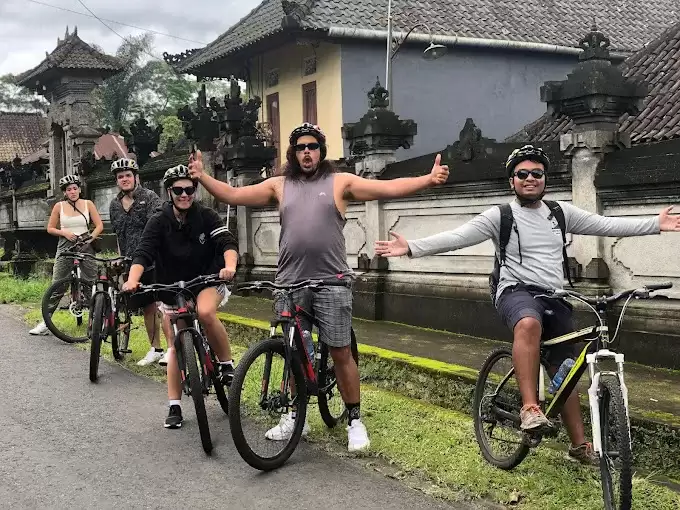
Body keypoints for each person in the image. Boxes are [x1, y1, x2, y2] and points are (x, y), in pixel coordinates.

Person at [374, 144, 680, 463]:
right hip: (515, 291)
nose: (530, 178)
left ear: (545, 179)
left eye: (537, 173)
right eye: (522, 174)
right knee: (528, 323)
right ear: (512, 181)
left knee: (566, 370)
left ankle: (579, 446)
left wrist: (654, 224)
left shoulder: (560, 213)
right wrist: (412, 247)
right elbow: (458, 236)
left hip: (555, 296)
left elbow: (605, 225)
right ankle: (530, 408)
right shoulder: (501, 216)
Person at [188, 122, 449, 452]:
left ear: (321, 151)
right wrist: (202, 177)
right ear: (293, 154)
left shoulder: (340, 182)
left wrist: (428, 179)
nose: (307, 152)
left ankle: (354, 420)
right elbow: (234, 195)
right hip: (289, 283)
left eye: (312, 146)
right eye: (300, 148)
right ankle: (294, 415)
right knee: (293, 352)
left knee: (340, 351)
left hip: (332, 282)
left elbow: (386, 188)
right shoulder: (280, 185)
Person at [122, 164, 238, 429]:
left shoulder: (206, 215)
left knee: (206, 312)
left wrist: (229, 266)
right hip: (172, 285)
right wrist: (132, 280)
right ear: (169, 192)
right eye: (178, 190)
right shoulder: (158, 220)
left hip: (207, 279)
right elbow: (144, 252)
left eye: (189, 189)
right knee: (175, 344)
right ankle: (174, 405)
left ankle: (226, 364)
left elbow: (227, 242)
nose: (184, 194)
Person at [109, 157, 167, 367]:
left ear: (136, 177)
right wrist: (120, 256)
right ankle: (156, 349)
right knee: (147, 306)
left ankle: (172, 349)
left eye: (128, 175)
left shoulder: (149, 198)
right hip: (130, 262)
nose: (124, 179)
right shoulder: (114, 205)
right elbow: (119, 235)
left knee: (164, 304)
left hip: (155, 259)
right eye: (120, 177)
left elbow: (159, 228)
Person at [30, 174, 104, 335]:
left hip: (85, 243)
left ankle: (96, 320)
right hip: (65, 244)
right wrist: (64, 232)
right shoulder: (59, 206)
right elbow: (50, 228)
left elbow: (99, 225)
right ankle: (46, 322)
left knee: (90, 282)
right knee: (58, 283)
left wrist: (90, 238)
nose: (72, 192)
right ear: (65, 192)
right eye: (69, 189)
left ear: (79, 190)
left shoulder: (88, 204)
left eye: (75, 188)